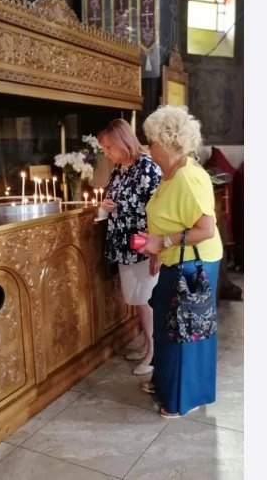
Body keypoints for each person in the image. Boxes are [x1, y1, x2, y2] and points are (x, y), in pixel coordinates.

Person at [134, 106, 223, 418]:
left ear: (167, 142)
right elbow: (169, 218)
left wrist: (162, 243)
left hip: (194, 264)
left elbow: (206, 229)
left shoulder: (188, 177)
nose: (148, 148)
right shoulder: (171, 173)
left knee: (185, 332)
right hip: (177, 259)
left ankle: (185, 398)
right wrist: (158, 251)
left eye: (151, 142)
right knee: (167, 327)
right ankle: (164, 382)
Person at [97, 119, 163, 376]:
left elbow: (159, 210)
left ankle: (154, 353)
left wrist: (156, 249)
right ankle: (147, 344)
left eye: (109, 147)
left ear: (123, 142)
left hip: (143, 246)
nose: (107, 153)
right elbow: (114, 197)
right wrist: (105, 204)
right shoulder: (119, 168)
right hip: (123, 245)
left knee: (146, 301)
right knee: (137, 299)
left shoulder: (147, 168)